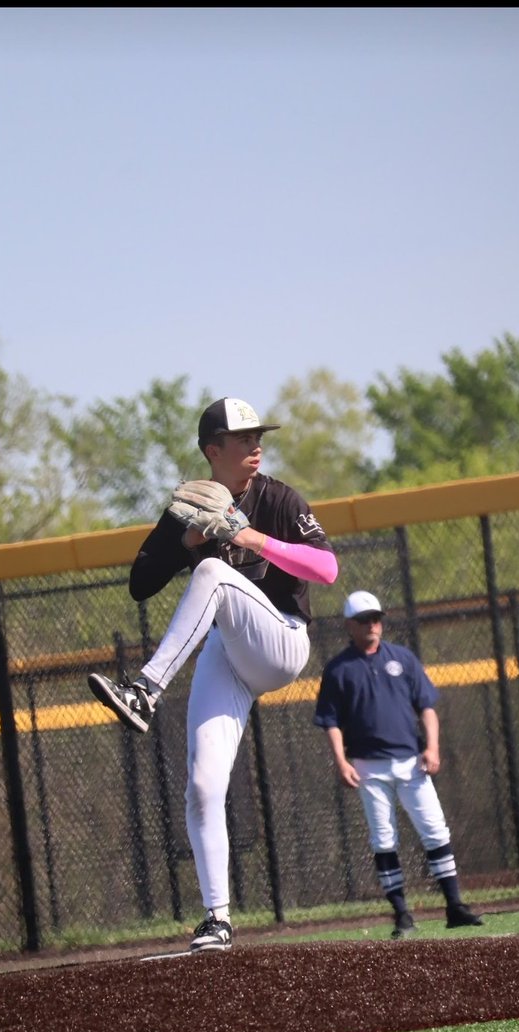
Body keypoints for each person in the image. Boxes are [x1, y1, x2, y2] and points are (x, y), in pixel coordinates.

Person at [87, 396, 339, 952]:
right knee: (202, 785)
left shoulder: (277, 497)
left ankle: (146, 690)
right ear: (212, 451)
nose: (257, 446)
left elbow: (327, 567)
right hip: (229, 654)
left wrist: (252, 538)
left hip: (281, 640)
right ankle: (217, 918)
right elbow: (140, 582)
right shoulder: (191, 506)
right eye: (244, 438)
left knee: (214, 576)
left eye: (259, 437)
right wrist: (186, 540)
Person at [313, 589, 483, 939]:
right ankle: (402, 913)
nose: (372, 625)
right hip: (368, 767)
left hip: (411, 762)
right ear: (349, 625)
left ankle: (454, 906)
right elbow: (330, 721)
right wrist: (341, 761)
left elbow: (427, 707)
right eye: (363, 620)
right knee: (384, 838)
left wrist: (432, 747)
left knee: (435, 830)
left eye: (376, 618)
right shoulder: (338, 669)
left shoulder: (402, 658)